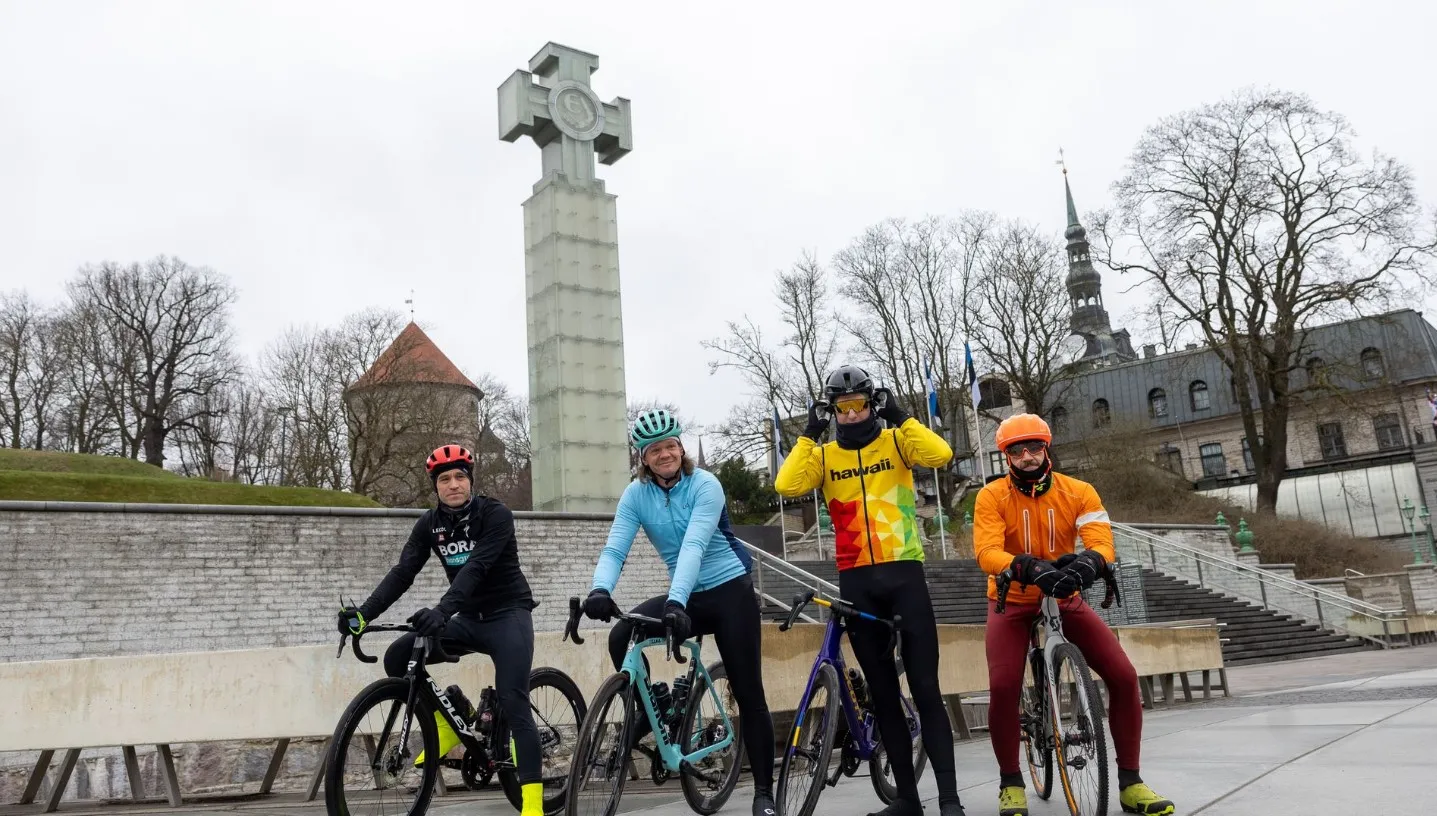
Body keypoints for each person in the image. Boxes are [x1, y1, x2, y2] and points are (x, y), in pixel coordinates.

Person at [774, 364, 966, 816]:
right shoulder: (822, 458)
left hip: (905, 576)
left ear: (872, 403)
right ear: (832, 410)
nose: (852, 414)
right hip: (857, 581)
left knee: (924, 689)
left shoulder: (897, 442)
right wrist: (808, 435)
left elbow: (941, 454)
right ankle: (908, 801)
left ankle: (951, 800)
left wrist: (903, 417)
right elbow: (786, 485)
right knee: (882, 697)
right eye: (842, 408)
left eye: (859, 404)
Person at [973, 414, 1175, 816]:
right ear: (1006, 456)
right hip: (1012, 600)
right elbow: (986, 552)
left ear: (1046, 449)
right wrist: (1027, 567)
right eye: (1017, 450)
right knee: (1004, 685)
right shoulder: (991, 496)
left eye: (1034, 448)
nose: (1027, 457)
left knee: (1123, 676)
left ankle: (1131, 782)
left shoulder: (1079, 490)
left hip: (1065, 596)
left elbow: (1101, 540)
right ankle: (1010, 781)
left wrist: (1092, 562)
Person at [582, 408, 778, 816]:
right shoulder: (636, 494)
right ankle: (648, 707)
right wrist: (599, 589)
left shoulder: (705, 485)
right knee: (623, 635)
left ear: (681, 447)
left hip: (729, 592)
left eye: (670, 446)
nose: (664, 454)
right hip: (683, 592)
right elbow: (616, 547)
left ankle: (763, 793)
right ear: (643, 457)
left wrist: (675, 601)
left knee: (749, 692)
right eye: (654, 450)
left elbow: (693, 546)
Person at [338, 444, 546, 816]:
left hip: (507, 614)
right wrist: (364, 615)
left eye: (460, 477)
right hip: (466, 619)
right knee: (399, 656)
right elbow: (403, 572)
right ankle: (450, 721)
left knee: (513, 700)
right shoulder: (429, 524)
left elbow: (477, 567)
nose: (453, 485)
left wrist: (441, 610)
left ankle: (532, 806)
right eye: (445, 479)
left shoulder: (495, 514)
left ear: (470, 481)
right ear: (435, 487)